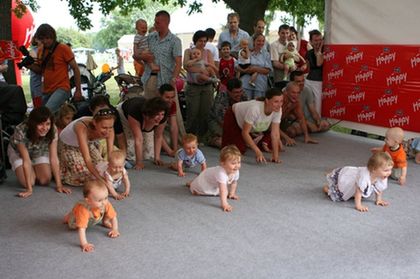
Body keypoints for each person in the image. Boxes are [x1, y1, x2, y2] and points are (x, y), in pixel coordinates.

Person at [7, 107, 70, 198]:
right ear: (33, 124)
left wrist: (59, 185)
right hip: (19, 152)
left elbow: (54, 158)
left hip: (39, 149)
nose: (44, 128)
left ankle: (35, 169)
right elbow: (26, 160)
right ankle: (29, 174)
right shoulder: (20, 129)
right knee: (29, 182)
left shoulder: (53, 129)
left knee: (45, 180)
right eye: (40, 124)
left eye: (47, 124)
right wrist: (29, 189)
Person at [25, 23, 82, 113]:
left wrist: (78, 90)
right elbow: (40, 70)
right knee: (41, 114)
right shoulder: (41, 51)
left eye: (48, 38)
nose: (45, 41)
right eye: (42, 39)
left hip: (62, 88)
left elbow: (75, 68)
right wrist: (29, 65)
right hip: (46, 90)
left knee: (46, 112)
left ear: (53, 37)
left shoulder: (63, 48)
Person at [222, 87, 283, 163]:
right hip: (233, 116)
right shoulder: (255, 109)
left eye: (281, 101)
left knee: (273, 146)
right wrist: (257, 152)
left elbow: (275, 134)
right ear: (267, 101)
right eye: (276, 101)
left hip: (251, 127)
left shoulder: (278, 110)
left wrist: (275, 156)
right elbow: (245, 132)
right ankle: (216, 140)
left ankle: (248, 142)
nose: (279, 105)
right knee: (236, 151)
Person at [59, 108, 115, 186]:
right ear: (95, 122)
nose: (108, 131)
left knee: (101, 166)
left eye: (111, 127)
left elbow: (111, 155)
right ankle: (61, 171)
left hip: (87, 143)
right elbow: (87, 159)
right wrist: (102, 180)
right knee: (85, 174)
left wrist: (115, 170)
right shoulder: (81, 127)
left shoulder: (110, 129)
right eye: (104, 128)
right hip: (68, 145)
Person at [323, 151, 394, 212]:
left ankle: (330, 175)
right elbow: (358, 191)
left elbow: (379, 188)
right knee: (340, 195)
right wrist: (358, 205)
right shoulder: (364, 177)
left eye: (390, 170)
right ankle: (327, 189)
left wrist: (379, 199)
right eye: (386, 170)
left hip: (358, 180)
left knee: (357, 191)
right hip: (349, 179)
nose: (389, 173)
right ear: (374, 169)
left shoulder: (382, 175)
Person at [135, 10, 182, 99]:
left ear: (166, 23)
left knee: (168, 111)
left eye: (157, 22)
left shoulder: (175, 41)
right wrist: (144, 58)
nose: (154, 25)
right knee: (150, 110)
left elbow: (178, 63)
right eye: (154, 22)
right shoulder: (150, 37)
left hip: (167, 83)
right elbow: (135, 55)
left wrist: (173, 80)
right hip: (150, 81)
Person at [64, 180, 119, 252]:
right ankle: (67, 217)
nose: (104, 202)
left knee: (106, 210)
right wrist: (84, 244)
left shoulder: (105, 203)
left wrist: (115, 229)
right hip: (76, 219)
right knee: (71, 222)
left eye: (106, 198)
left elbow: (113, 217)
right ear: (88, 201)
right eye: (99, 200)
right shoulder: (83, 210)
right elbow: (81, 229)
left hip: (96, 216)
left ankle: (104, 221)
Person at [117, 96, 168, 170]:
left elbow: (158, 136)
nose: (160, 117)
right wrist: (139, 163)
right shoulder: (135, 113)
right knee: (131, 154)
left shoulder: (163, 118)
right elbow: (138, 139)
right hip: (125, 114)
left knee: (148, 154)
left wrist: (157, 158)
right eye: (157, 114)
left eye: (162, 114)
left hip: (146, 119)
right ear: (149, 114)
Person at [183, 30, 217, 139]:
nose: (202, 43)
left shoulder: (208, 52)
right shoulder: (189, 51)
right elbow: (186, 66)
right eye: (200, 41)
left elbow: (211, 67)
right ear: (195, 41)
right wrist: (202, 70)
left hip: (207, 86)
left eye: (204, 41)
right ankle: (190, 137)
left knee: (205, 112)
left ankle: (202, 137)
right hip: (193, 87)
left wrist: (204, 71)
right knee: (192, 112)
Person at [188, 145, 241, 212]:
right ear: (223, 163)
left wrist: (232, 193)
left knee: (220, 190)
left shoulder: (235, 171)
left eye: (239, 162)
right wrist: (224, 204)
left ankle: (192, 182)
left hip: (213, 182)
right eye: (233, 163)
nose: (237, 166)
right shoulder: (220, 173)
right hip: (204, 181)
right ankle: (192, 184)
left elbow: (234, 182)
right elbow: (223, 190)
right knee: (197, 190)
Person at [207, 78, 247, 148]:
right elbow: (221, 119)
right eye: (236, 92)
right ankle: (212, 139)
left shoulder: (243, 94)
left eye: (240, 91)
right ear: (228, 91)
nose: (239, 94)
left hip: (236, 122)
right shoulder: (221, 98)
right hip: (218, 122)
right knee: (227, 140)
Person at [279, 81, 319, 146]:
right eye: (293, 92)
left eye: (298, 93)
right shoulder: (279, 100)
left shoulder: (296, 101)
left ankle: (279, 137)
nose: (296, 95)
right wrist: (287, 138)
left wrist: (306, 136)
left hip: (280, 121)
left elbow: (301, 118)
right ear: (286, 92)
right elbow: (272, 124)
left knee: (292, 132)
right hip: (268, 123)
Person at [237, 34, 272, 100]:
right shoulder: (246, 52)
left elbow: (268, 70)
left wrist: (255, 69)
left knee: (258, 106)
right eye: (258, 41)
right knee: (245, 105)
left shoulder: (266, 54)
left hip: (260, 85)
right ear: (253, 41)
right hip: (245, 84)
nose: (261, 43)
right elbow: (237, 66)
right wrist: (245, 70)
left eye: (263, 41)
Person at [305, 29, 324, 115]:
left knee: (317, 105)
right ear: (311, 42)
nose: (318, 42)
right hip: (308, 81)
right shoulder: (308, 53)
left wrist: (319, 50)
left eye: (320, 39)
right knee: (308, 103)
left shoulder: (324, 52)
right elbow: (308, 68)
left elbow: (319, 63)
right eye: (316, 40)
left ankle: (318, 123)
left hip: (319, 82)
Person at [158, 83, 179, 157]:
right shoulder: (156, 105)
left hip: (159, 129)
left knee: (169, 141)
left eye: (172, 97)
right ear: (160, 96)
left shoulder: (172, 104)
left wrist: (175, 149)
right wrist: (170, 152)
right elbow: (155, 132)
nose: (170, 100)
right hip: (147, 130)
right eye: (167, 97)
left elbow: (174, 126)